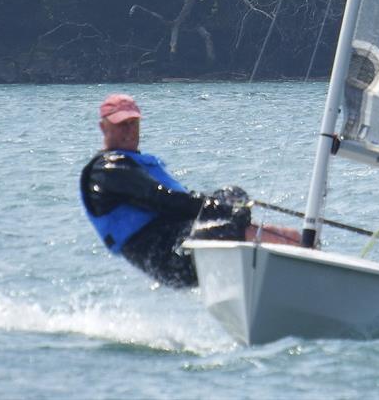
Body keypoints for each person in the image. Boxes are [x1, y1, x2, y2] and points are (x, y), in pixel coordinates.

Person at [80, 93, 300, 288]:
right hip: (165, 254)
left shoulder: (132, 163)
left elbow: (183, 204)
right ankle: (290, 263)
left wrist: (227, 206)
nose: (129, 130)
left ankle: (299, 259)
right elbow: (164, 200)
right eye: (121, 124)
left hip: (181, 236)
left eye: (133, 123)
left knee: (233, 195)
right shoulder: (109, 170)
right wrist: (222, 210)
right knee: (228, 221)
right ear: (103, 127)